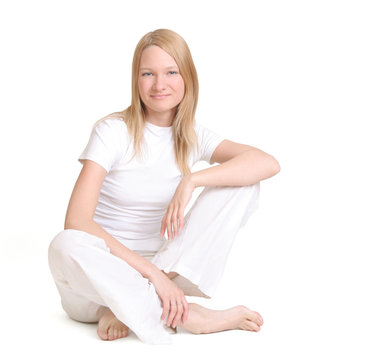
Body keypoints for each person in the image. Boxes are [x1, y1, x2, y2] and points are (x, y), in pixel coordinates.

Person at [48, 28, 280, 344]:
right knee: (65, 244)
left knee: (242, 184)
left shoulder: (193, 136)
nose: (160, 84)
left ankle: (131, 307)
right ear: (136, 80)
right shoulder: (112, 132)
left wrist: (192, 180)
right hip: (98, 280)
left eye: (171, 72)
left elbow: (266, 163)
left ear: (187, 78)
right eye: (148, 73)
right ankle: (190, 316)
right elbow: (77, 221)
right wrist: (153, 278)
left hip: (167, 272)